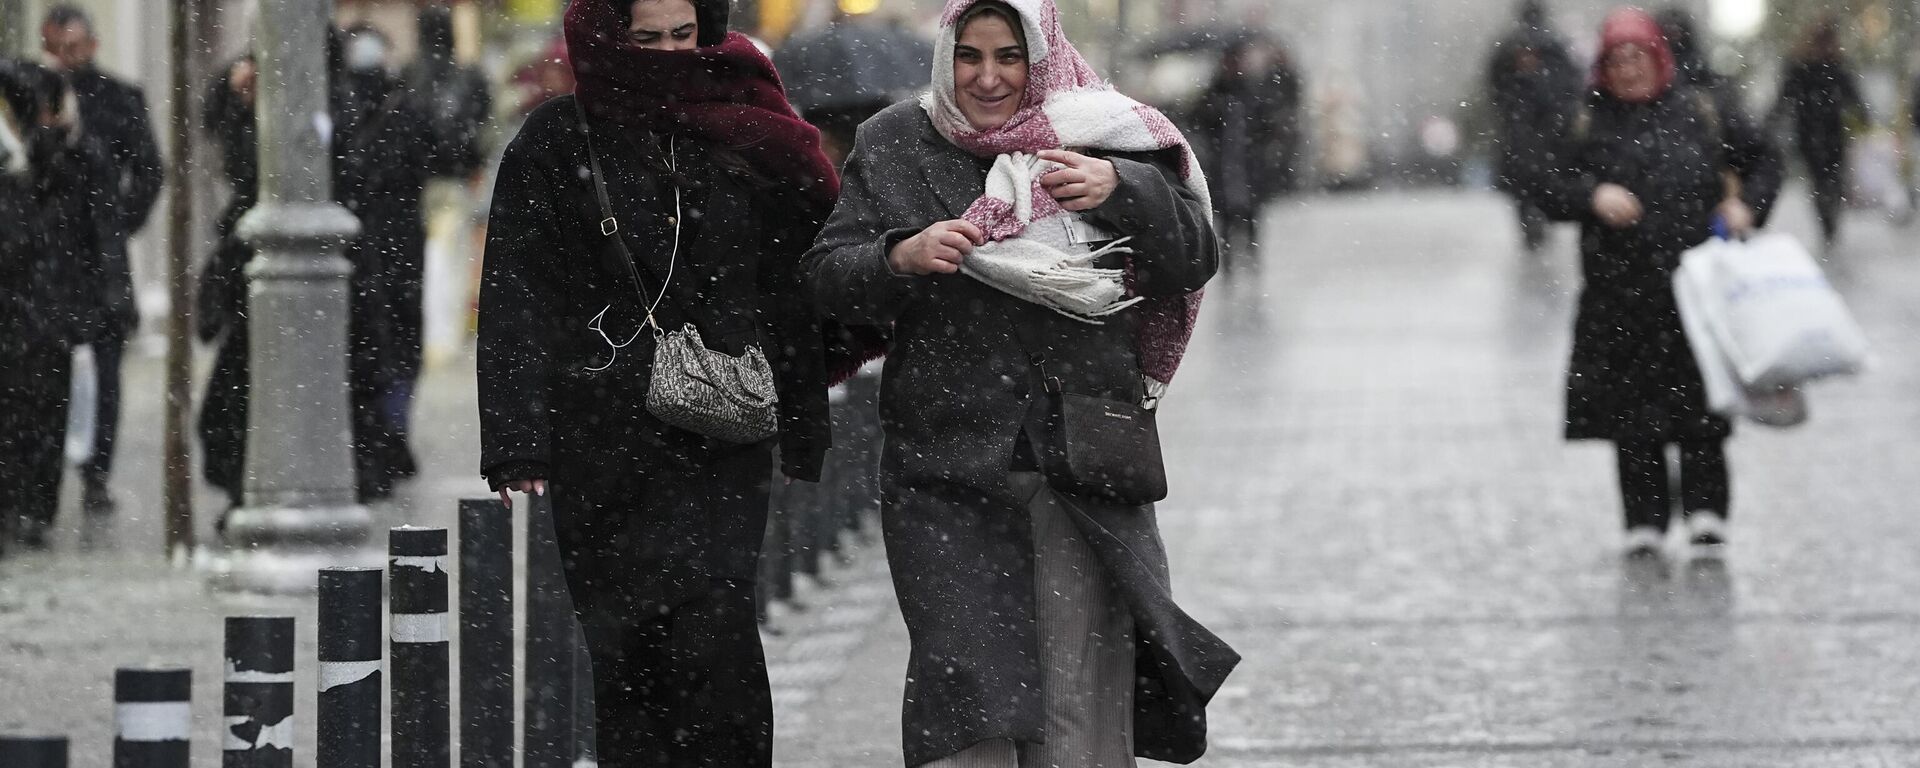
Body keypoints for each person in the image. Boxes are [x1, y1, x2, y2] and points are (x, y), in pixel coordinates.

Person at [805, 0, 1239, 764]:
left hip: (1084, 458)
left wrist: (1121, 189)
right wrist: (899, 257)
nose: (988, 77)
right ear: (946, 57)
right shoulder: (896, 141)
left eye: (1009, 56)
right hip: (947, 467)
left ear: (1040, 55)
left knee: (1081, 692)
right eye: (969, 56)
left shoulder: (1110, 134)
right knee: (968, 691)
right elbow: (827, 281)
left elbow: (1193, 257)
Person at [476, 0, 855, 762]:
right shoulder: (557, 139)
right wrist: (518, 438)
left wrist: (808, 399)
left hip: (718, 427)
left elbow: (795, 271)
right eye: (646, 39)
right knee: (626, 658)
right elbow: (517, 288)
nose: (669, 54)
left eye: (685, 36)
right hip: (601, 437)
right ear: (609, 38)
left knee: (716, 633)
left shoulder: (743, 124)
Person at [1535, 8, 1781, 557]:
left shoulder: (1701, 110)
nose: (1628, 70)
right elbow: (1543, 180)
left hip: (1697, 291)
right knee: (1631, 413)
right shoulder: (1585, 119)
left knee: (1701, 408)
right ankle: (1643, 520)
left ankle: (1707, 514)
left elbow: (1765, 159)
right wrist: (1590, 196)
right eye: (1617, 59)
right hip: (1618, 294)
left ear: (1658, 58)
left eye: (1637, 56)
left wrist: (1747, 206)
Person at [197, 31, 445, 509]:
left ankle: (311, 487)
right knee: (254, 398)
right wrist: (239, 101)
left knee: (323, 388)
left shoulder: (327, 109)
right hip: (289, 275)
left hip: (338, 274)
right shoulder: (282, 107)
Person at [40, 4, 166, 514]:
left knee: (106, 369)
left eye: (76, 47)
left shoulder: (118, 97)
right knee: (48, 372)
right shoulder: (33, 95)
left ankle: (96, 472)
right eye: (58, 48)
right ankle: (44, 476)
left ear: (91, 46)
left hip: (100, 259)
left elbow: (150, 170)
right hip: (48, 256)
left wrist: (117, 221)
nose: (68, 58)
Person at [0, 59, 113, 548]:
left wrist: (105, 301)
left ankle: (32, 508)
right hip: (30, 307)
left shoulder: (70, 161)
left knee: (42, 413)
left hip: (47, 310)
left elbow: (98, 234)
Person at [1188, 33, 1304, 273]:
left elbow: (1267, 121)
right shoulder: (1215, 91)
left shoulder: (1252, 90)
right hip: (1223, 162)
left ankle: (1251, 258)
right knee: (1226, 216)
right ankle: (1229, 261)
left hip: (1248, 162)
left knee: (1251, 213)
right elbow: (1198, 119)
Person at [1485, 0, 1580, 253]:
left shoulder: (1508, 45)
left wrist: (1509, 109)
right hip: (1549, 130)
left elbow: (1494, 84)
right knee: (1542, 178)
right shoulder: (1555, 44)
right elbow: (1572, 83)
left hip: (1520, 129)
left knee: (1523, 183)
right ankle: (1539, 217)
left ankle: (1531, 222)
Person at [1775, 19, 1866, 246]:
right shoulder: (1829, 64)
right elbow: (1853, 97)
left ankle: (1827, 220)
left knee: (1822, 181)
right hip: (1825, 133)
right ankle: (1829, 221)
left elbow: (1784, 98)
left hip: (1815, 133)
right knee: (1829, 181)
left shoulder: (1805, 65)